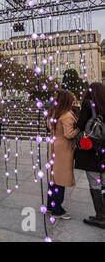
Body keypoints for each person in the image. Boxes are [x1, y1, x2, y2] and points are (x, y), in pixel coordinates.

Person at [74, 83, 105, 229]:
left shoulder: (88, 104)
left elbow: (80, 126)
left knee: (95, 184)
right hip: (103, 150)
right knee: (104, 183)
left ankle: (101, 217)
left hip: (92, 150)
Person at [47, 90, 79, 220]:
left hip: (54, 144)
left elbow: (50, 127)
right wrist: (79, 129)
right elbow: (69, 134)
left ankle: (51, 205)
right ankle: (57, 209)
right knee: (60, 178)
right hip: (63, 148)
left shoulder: (54, 112)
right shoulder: (66, 115)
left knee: (54, 177)